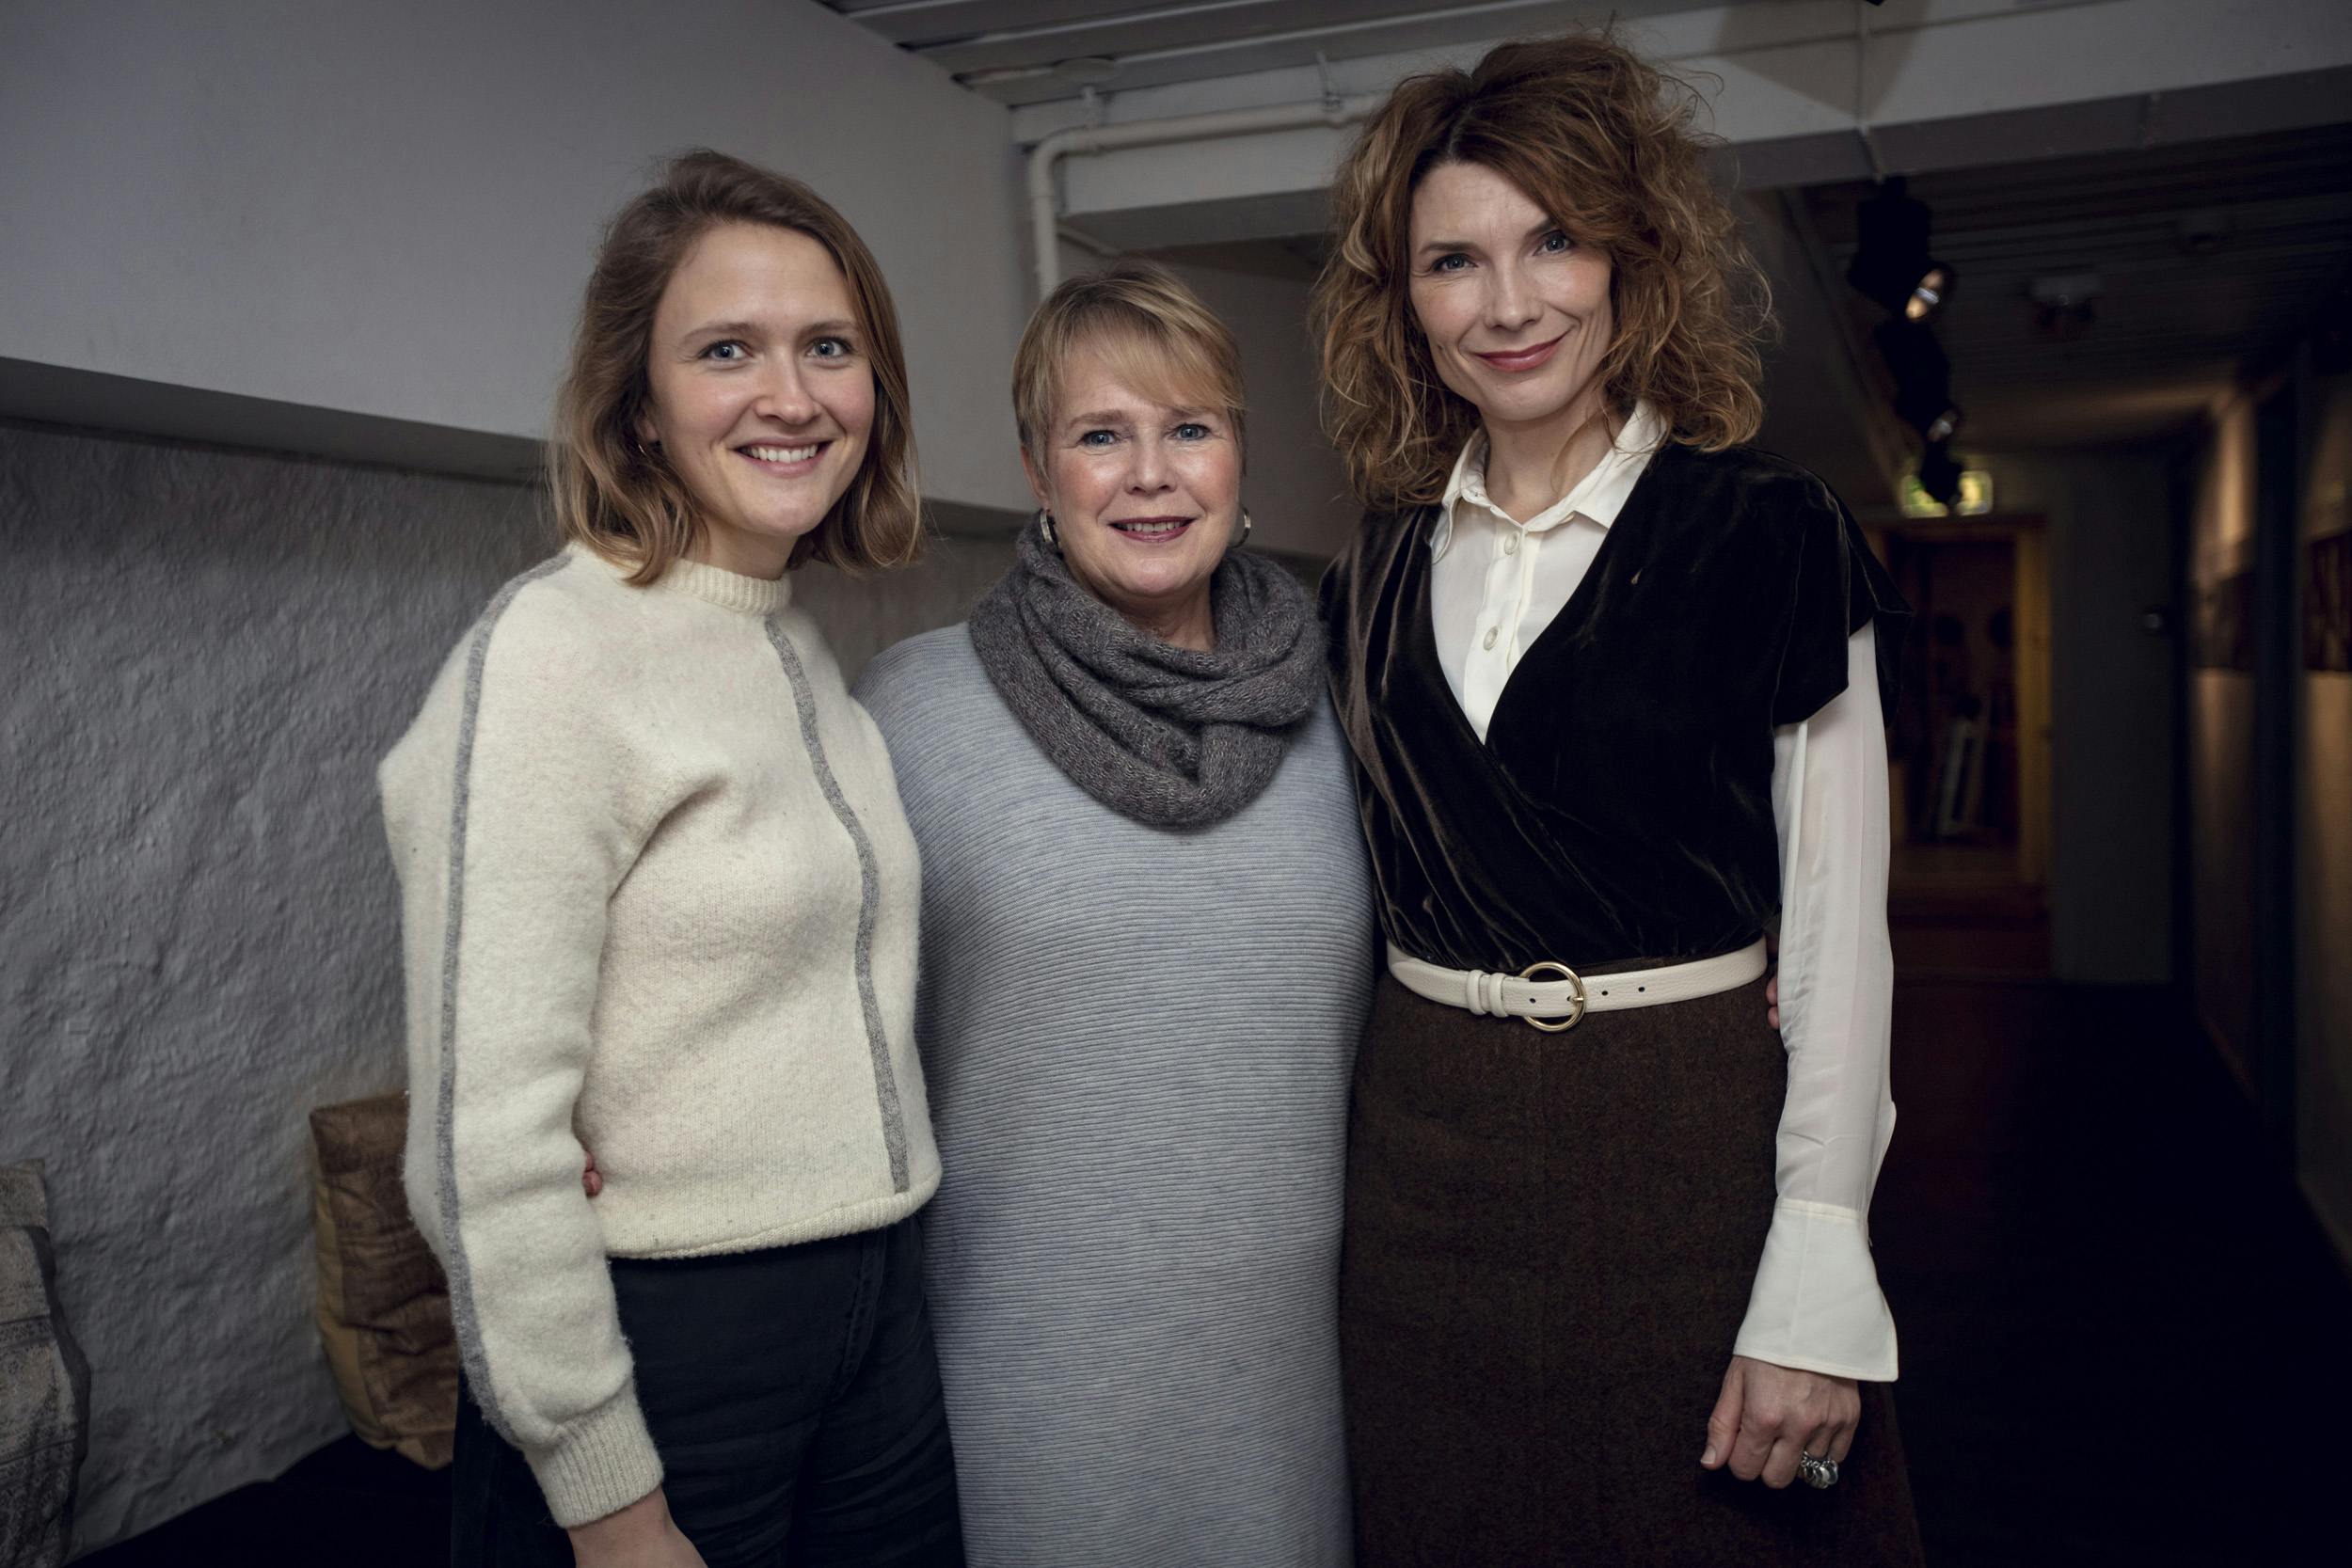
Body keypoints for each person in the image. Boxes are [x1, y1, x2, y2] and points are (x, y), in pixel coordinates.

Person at [1311, 34, 1926, 1566]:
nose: (1508, 304)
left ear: (1632, 259)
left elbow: (1841, 942)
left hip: (1683, 1146)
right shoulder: (1368, 569)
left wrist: (1818, 1272)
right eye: (1454, 261)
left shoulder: (1772, 533)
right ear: (1405, 302)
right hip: (1422, 1168)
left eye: (1554, 242)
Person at [380, 150, 961, 1568]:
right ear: (638, 404)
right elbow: (479, 1143)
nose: (791, 395)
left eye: (829, 347)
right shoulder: (551, 653)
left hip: (872, 1316)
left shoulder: (799, 651)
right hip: (667, 1347)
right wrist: (608, 1496)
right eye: (726, 351)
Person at [851, 261, 1369, 1567]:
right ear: (1038, 470)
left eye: (1188, 428)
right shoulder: (913, 715)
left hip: (1295, 1380)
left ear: (1239, 456)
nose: (1150, 475)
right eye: (1099, 436)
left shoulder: (1346, 714)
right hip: (1018, 1372)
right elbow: (810, 1018)